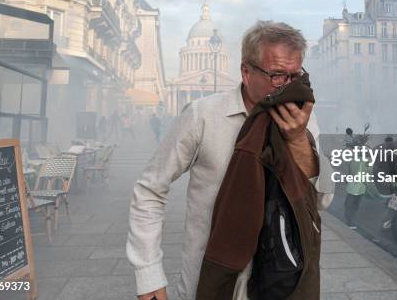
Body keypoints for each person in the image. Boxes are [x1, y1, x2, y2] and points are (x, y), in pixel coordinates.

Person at [127, 21, 334, 300]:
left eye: (294, 76)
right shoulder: (202, 114)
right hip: (210, 281)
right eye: (277, 75)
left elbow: (322, 200)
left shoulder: (303, 120)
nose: (287, 86)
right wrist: (149, 275)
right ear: (246, 72)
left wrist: (298, 140)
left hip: (283, 284)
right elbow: (150, 189)